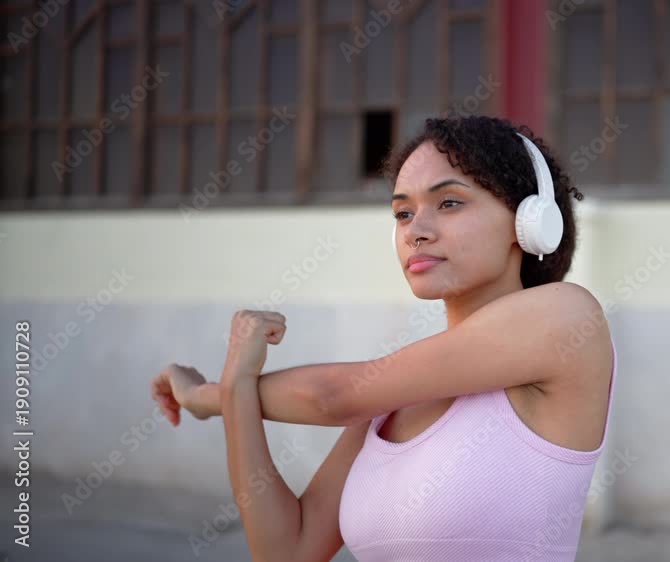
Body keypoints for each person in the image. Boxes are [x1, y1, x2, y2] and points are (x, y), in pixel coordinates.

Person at [151, 115, 618, 562]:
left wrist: (207, 396)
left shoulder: (567, 316)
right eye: (403, 212)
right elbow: (285, 552)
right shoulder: (391, 401)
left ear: (528, 221)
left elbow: (332, 398)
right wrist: (235, 390)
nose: (416, 231)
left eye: (449, 203)